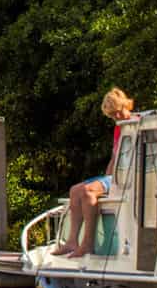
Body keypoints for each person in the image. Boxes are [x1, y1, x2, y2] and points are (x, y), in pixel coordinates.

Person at [53, 88, 136, 258]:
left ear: (125, 106)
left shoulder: (136, 124)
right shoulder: (119, 128)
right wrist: (108, 180)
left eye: (118, 113)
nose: (117, 118)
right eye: (112, 116)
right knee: (75, 190)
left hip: (130, 175)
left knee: (88, 191)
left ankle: (88, 244)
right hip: (117, 175)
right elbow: (114, 158)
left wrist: (110, 182)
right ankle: (71, 242)